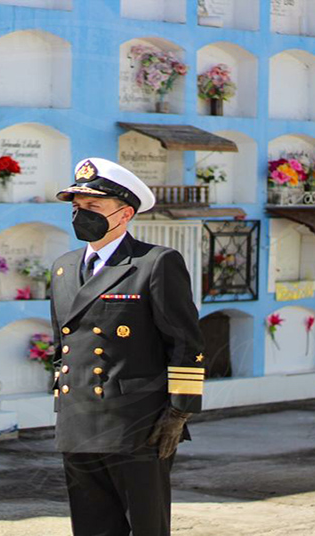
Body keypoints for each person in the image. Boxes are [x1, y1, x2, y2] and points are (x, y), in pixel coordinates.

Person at [50, 157, 206, 536]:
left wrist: (179, 413)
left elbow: (186, 344)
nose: (80, 214)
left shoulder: (153, 263)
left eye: (92, 206)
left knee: (146, 527)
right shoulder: (63, 268)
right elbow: (62, 346)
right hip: (79, 420)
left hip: (137, 425)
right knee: (92, 528)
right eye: (76, 207)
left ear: (124, 214)